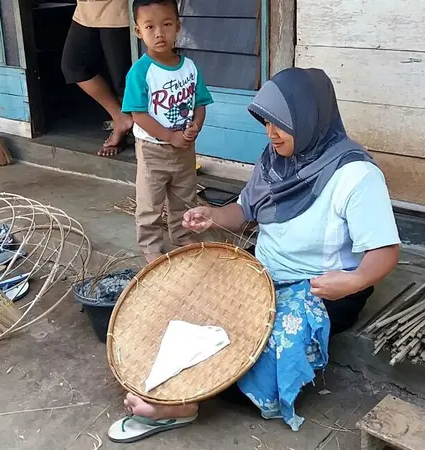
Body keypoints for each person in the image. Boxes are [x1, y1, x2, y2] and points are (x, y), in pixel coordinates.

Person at [106, 67, 401, 444]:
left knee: (261, 348)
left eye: (281, 124)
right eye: (267, 123)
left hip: (323, 289)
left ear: (311, 116)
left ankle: (180, 401)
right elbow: (245, 211)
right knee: (189, 303)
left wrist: (356, 280)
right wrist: (212, 215)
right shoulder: (276, 159)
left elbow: (384, 251)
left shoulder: (356, 175)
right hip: (260, 271)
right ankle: (172, 387)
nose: (271, 133)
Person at [120, 0, 214, 263]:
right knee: (150, 201)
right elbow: (139, 115)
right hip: (153, 149)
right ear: (138, 31)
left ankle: (184, 237)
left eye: (167, 24)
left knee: (184, 196)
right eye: (150, 26)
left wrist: (195, 126)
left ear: (178, 27)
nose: (159, 33)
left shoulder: (189, 68)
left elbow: (200, 104)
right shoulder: (140, 72)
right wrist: (169, 135)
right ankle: (151, 247)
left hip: (184, 148)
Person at [61, 0, 133, 156]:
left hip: (116, 10)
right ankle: (120, 117)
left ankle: (141, 136)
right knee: (73, 65)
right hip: (86, 8)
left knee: (123, 79)